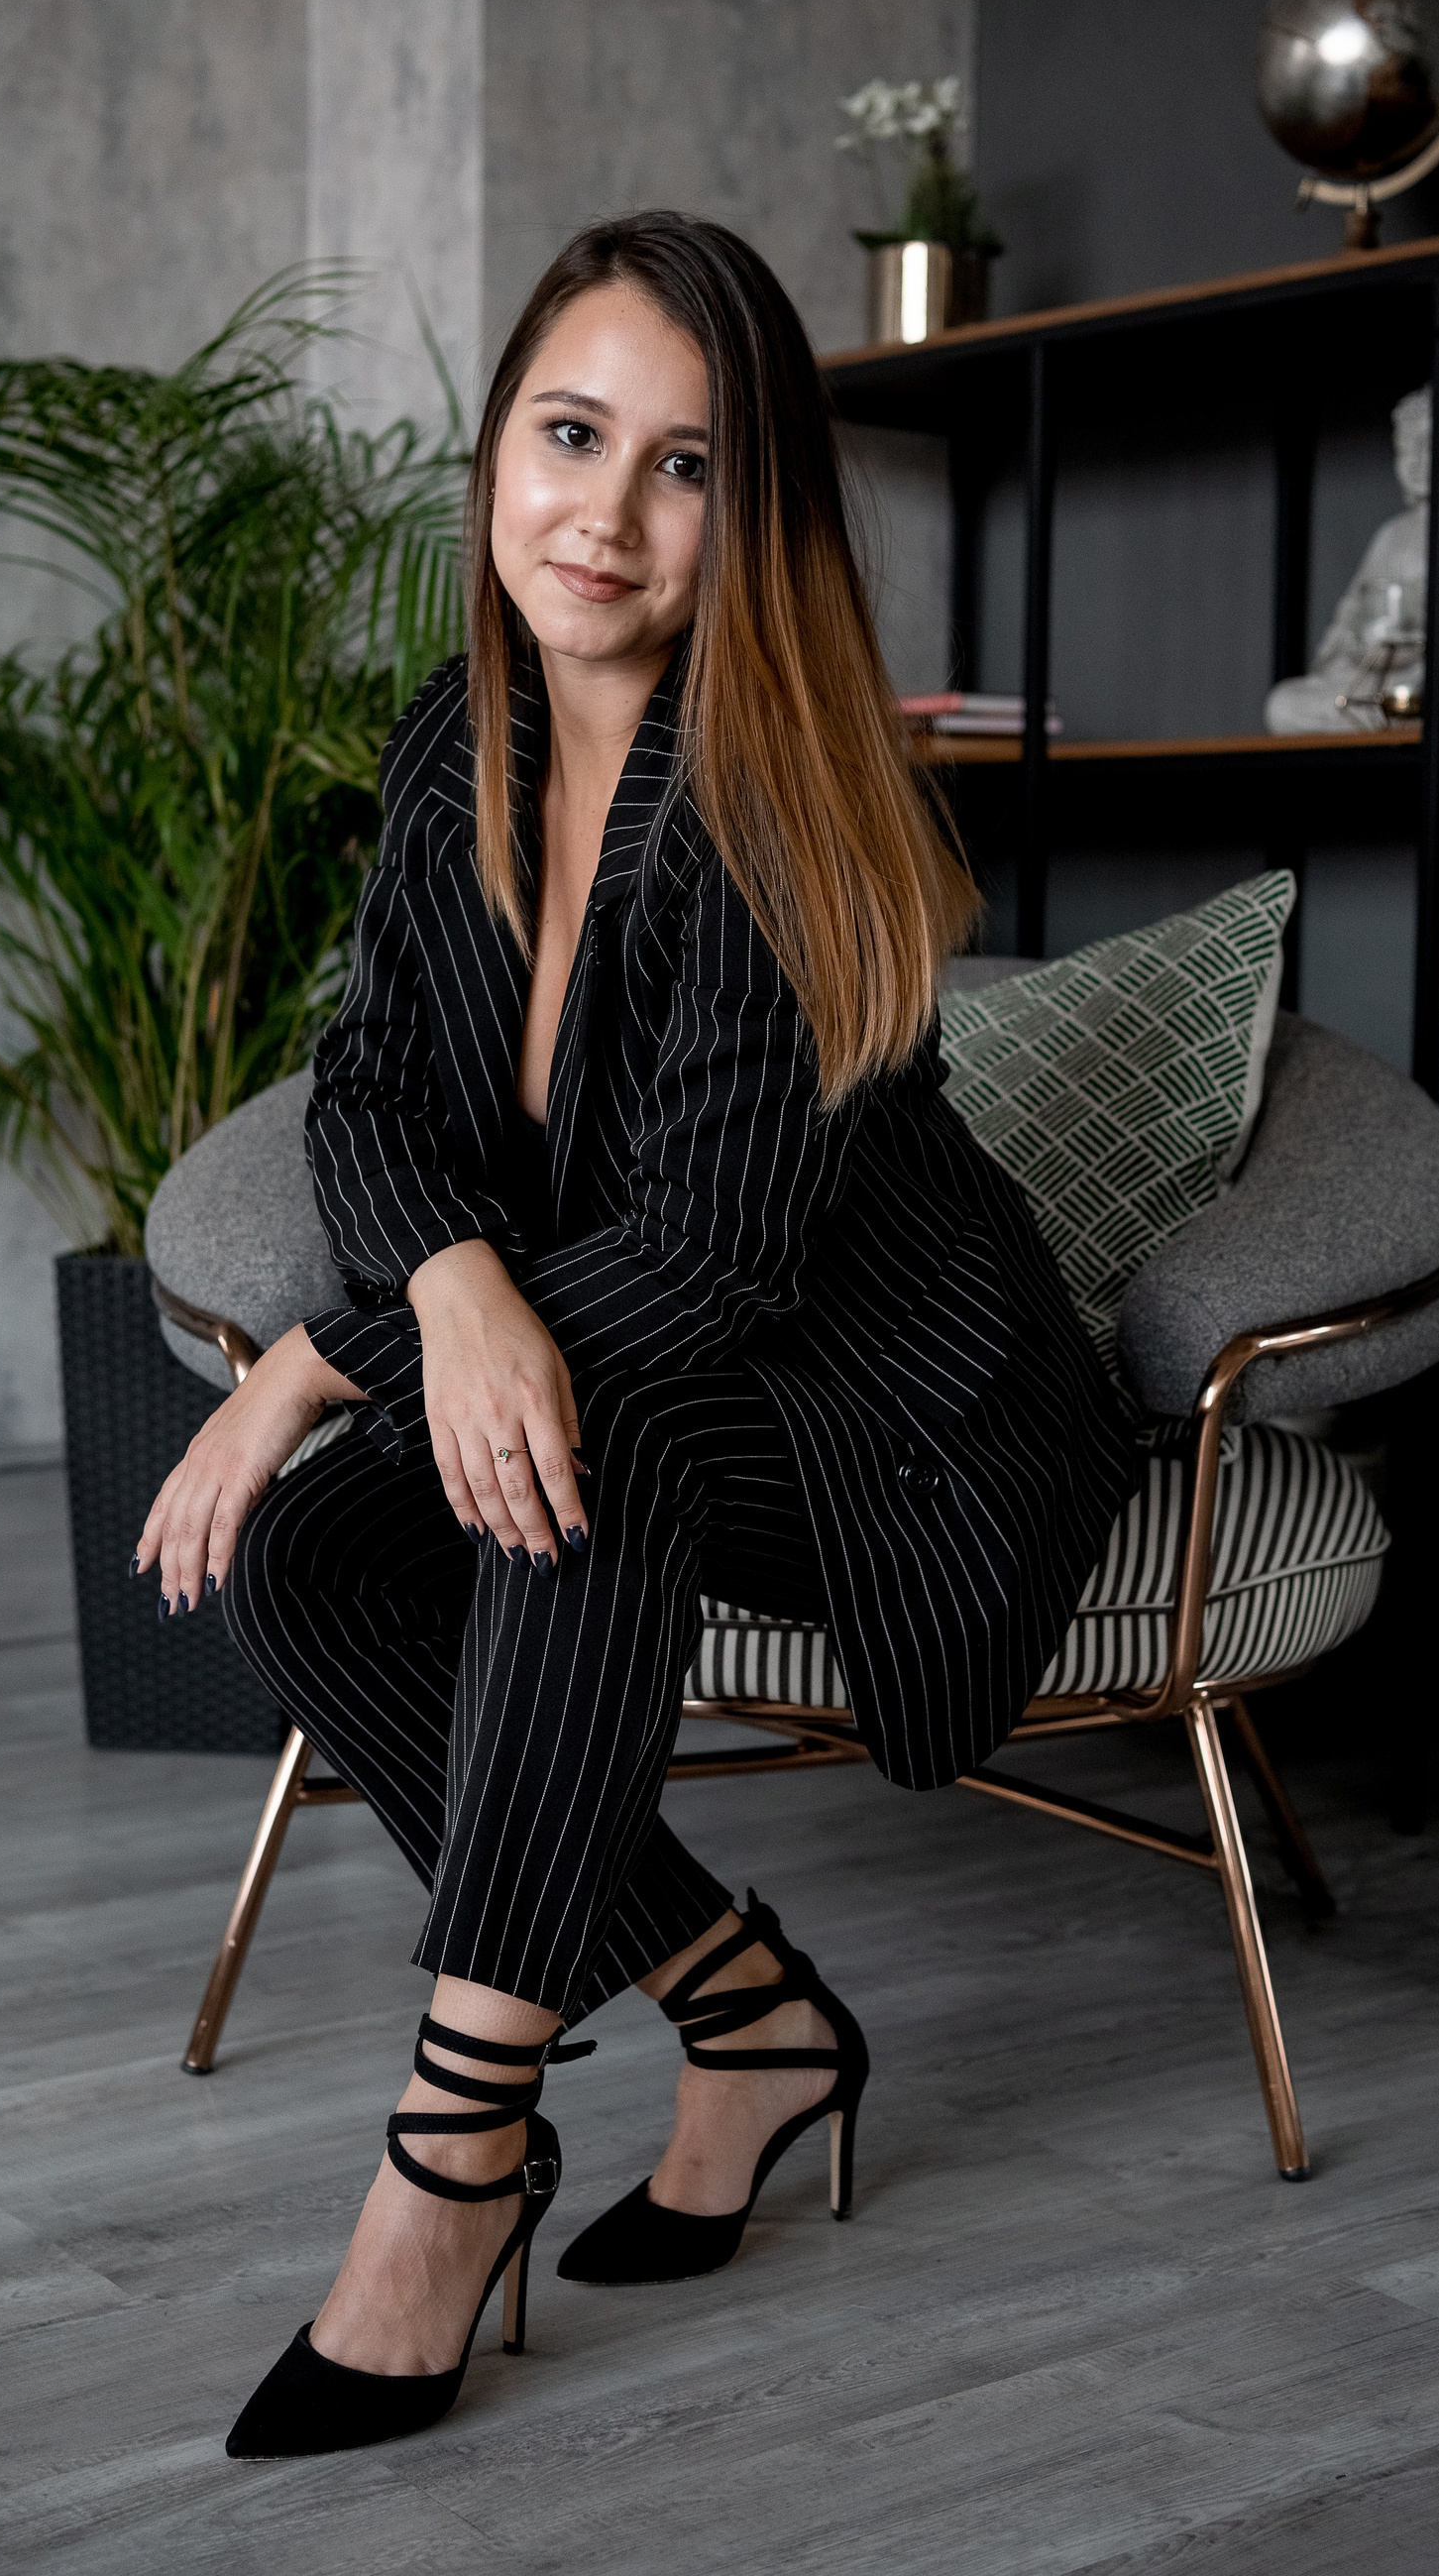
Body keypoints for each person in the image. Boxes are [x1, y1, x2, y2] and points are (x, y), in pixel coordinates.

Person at [135, 212, 1134, 2460]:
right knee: (313, 1559)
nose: (606, 512)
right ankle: (754, 2017)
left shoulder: (778, 800)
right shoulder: (460, 737)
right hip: (651, 1356)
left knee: (600, 1456)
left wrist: (311, 1362)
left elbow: (711, 1264)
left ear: (752, 512)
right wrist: (445, 1287)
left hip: (914, 1433)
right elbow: (372, 1097)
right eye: (571, 436)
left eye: (686, 466)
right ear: (497, 447)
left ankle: (450, 2169)